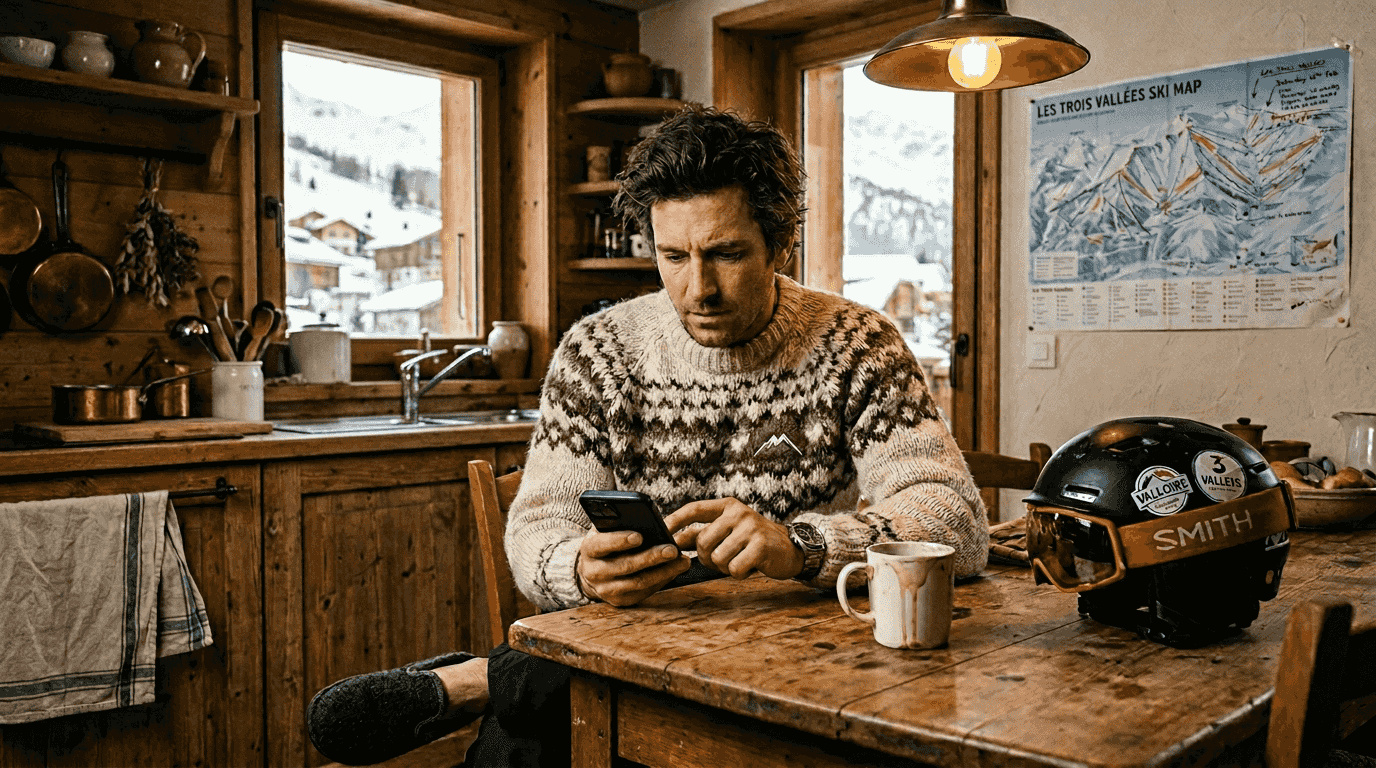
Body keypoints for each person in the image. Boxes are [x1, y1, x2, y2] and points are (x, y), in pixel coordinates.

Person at [307, 104, 989, 767]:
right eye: (673, 256)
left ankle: (482, 681)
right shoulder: (600, 351)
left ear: (781, 245)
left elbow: (954, 522)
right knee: (526, 743)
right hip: (637, 646)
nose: (699, 288)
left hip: (802, 652)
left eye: (726, 254)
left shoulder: (855, 344)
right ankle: (506, 684)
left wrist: (805, 544)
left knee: (525, 719)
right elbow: (537, 531)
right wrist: (578, 565)